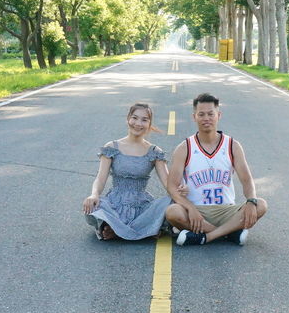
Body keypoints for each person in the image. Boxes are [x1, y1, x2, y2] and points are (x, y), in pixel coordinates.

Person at [164, 93, 267, 246]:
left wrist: (251, 201)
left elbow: (246, 180)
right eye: (201, 114)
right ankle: (229, 233)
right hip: (197, 211)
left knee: (261, 204)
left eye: (211, 114)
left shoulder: (232, 145)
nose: (206, 118)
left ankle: (207, 236)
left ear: (218, 115)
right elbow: (172, 186)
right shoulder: (185, 147)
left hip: (226, 210)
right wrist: (190, 208)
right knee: (172, 212)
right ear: (194, 117)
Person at [83, 103, 173, 240]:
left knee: (171, 204)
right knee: (93, 206)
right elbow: (100, 178)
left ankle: (117, 230)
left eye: (144, 119)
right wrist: (94, 195)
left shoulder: (154, 151)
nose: (138, 123)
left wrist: (181, 197)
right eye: (135, 118)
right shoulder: (112, 147)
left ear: (149, 123)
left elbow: (168, 183)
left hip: (142, 206)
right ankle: (144, 230)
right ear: (128, 119)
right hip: (115, 204)